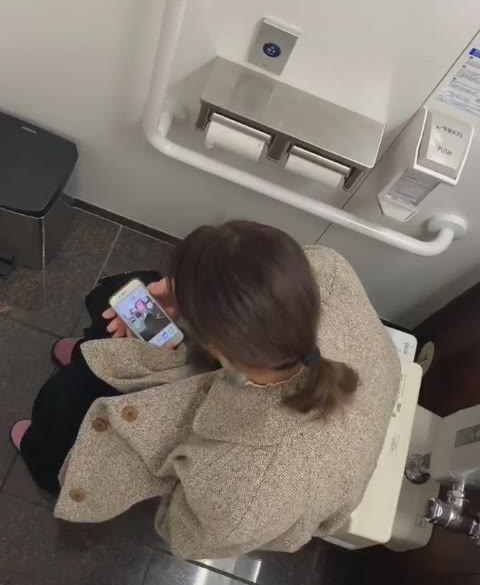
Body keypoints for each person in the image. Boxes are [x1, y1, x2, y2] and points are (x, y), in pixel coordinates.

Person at [10, 221, 400, 561]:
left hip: (265, 474)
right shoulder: (326, 270)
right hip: (291, 392)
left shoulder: (245, 493)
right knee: (120, 298)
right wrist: (185, 292)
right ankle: (91, 354)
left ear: (212, 344)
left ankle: (46, 463)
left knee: (67, 414)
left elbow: (180, 530)